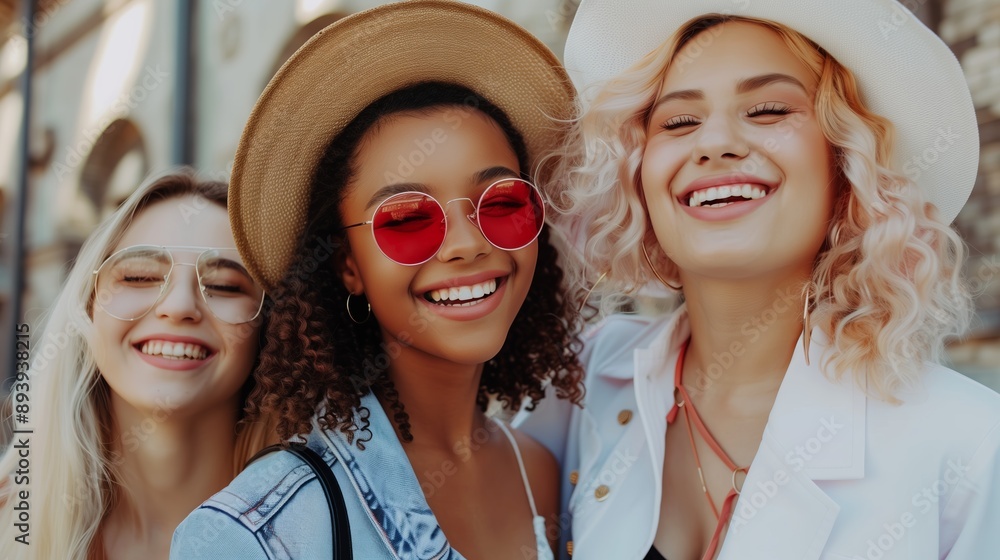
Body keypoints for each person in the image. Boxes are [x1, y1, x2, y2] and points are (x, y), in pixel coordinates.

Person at [519, 0, 1000, 559]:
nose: (715, 142)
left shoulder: (970, 444)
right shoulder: (583, 381)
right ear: (637, 174)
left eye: (769, 111)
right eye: (678, 121)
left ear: (845, 166)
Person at [169, 2, 584, 559]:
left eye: (501, 201)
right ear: (347, 265)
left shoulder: (544, 471)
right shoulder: (252, 535)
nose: (466, 243)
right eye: (409, 218)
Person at [0, 169, 270, 560]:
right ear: (88, 309)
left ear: (269, 324)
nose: (179, 307)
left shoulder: (331, 532)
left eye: (224, 286)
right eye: (139, 275)